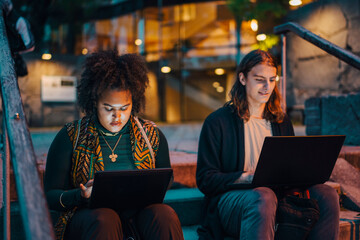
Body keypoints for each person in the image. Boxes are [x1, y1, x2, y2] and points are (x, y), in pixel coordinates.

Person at [196, 49, 340, 240]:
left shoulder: (280, 121)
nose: (267, 86)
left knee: (327, 194)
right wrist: (247, 178)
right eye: (259, 79)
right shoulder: (218, 122)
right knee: (263, 196)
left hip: (279, 196)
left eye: (272, 80)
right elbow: (206, 179)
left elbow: (291, 166)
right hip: (233, 201)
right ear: (243, 79)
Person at [44, 50, 184, 240]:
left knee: (164, 215)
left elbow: (165, 180)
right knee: (105, 218)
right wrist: (80, 195)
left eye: (124, 108)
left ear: (133, 101)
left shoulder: (152, 135)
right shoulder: (71, 136)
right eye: (108, 108)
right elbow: (51, 195)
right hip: (91, 219)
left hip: (137, 216)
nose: (117, 117)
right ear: (94, 102)